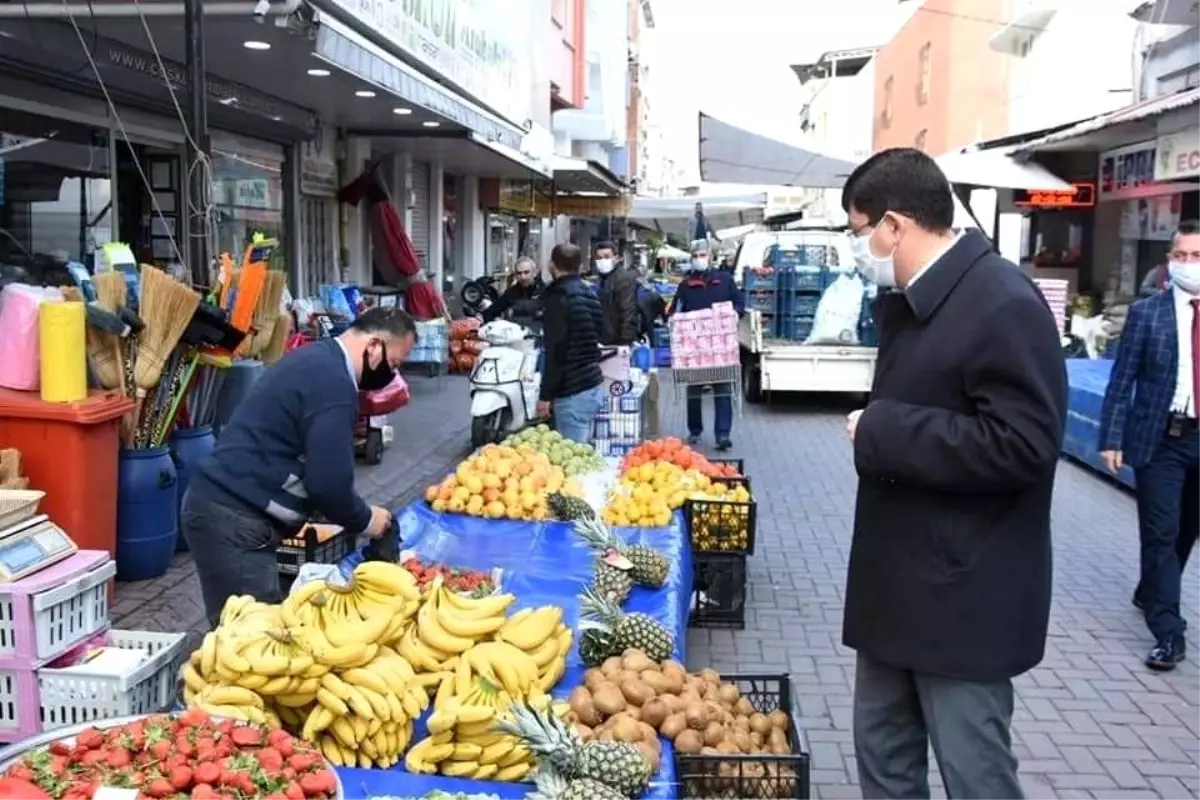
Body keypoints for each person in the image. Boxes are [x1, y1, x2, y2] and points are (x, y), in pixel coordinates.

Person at [840, 148, 1066, 798]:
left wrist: (883, 430)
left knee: (975, 775)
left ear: (894, 225)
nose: (862, 250)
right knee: (884, 758)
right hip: (895, 592)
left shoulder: (1000, 301)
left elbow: (1023, 444)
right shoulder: (918, 301)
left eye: (860, 234)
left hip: (963, 597)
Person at [181, 306, 417, 627]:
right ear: (374, 346)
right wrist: (365, 520)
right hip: (233, 518)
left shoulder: (319, 361)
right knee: (250, 644)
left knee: (252, 631)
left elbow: (309, 459)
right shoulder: (334, 385)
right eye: (394, 364)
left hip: (229, 511)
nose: (393, 374)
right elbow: (328, 484)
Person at [1099, 220, 1200, 671]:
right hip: (1161, 440)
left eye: (1197, 257)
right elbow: (1122, 382)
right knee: (1159, 534)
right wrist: (1111, 438)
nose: (1188, 265)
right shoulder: (1148, 313)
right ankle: (1168, 632)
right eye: (1181, 256)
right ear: (1169, 260)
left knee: (1184, 531)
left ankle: (1150, 590)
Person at [671, 242, 744, 451]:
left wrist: (736, 314)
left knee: (723, 389)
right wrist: (674, 319)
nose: (699, 258)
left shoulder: (724, 280)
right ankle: (695, 430)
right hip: (694, 348)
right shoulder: (686, 284)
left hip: (721, 347)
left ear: (710, 257)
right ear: (691, 258)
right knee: (693, 390)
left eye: (703, 254)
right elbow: (676, 308)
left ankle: (723, 434)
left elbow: (739, 302)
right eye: (696, 255)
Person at [538, 243, 605, 443]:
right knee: (584, 454)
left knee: (573, 459)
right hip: (592, 384)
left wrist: (545, 395)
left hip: (572, 391)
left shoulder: (558, 298)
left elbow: (556, 351)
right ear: (581, 266)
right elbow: (599, 335)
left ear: (552, 265)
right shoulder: (590, 295)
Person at [593, 241, 639, 345]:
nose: (602, 260)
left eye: (606, 256)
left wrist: (624, 343)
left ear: (616, 258)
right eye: (599, 258)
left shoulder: (623, 279)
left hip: (617, 341)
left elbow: (628, 313)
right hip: (604, 339)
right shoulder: (602, 279)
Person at [482, 256, 543, 329]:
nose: (523, 277)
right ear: (515, 275)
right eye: (519, 273)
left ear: (534, 273)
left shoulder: (545, 291)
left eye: (526, 272)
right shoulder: (511, 292)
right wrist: (497, 322)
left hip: (538, 336)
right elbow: (489, 313)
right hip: (516, 336)